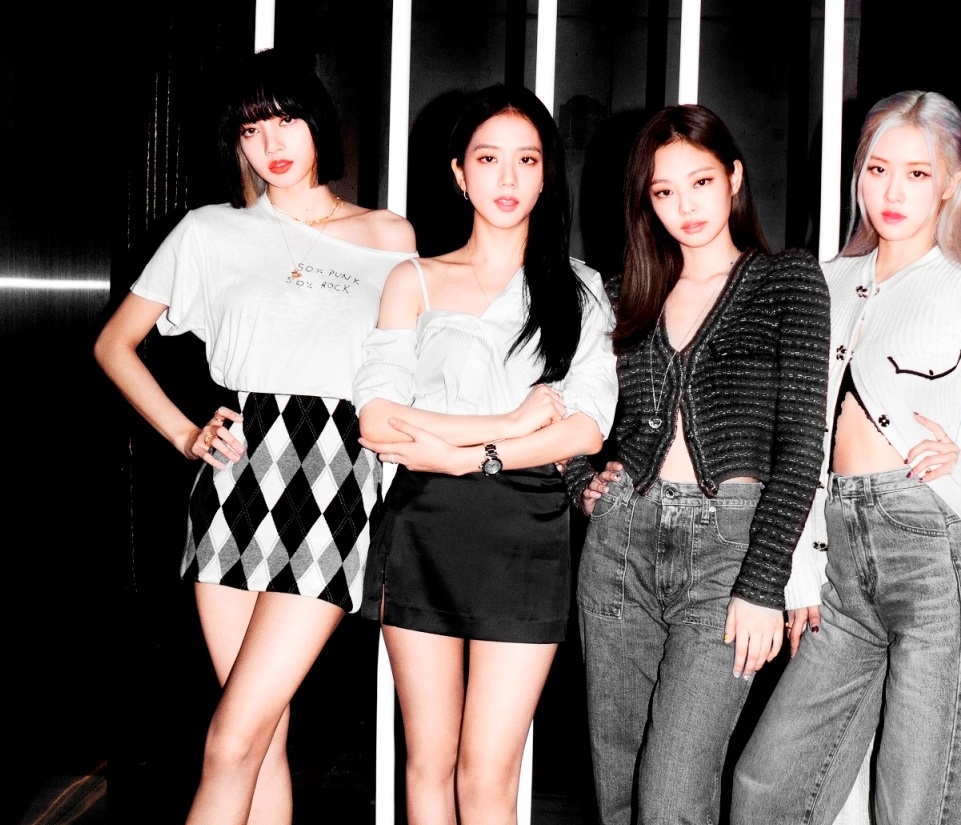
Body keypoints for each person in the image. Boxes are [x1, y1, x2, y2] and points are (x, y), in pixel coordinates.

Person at [730, 91, 961, 825]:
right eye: (877, 170)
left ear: (950, 184)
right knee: (766, 786)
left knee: (914, 806)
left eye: (916, 173)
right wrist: (799, 571)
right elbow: (796, 442)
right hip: (839, 567)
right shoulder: (823, 283)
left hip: (932, 558)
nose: (892, 192)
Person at [93, 49, 416, 825]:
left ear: (319, 126)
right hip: (235, 479)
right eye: (250, 129)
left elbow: (412, 365)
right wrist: (184, 433)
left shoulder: (387, 234)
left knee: (231, 739)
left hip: (336, 474)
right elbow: (114, 344)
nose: (271, 142)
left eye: (286, 120)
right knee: (259, 738)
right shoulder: (210, 231)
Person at [352, 84, 618, 825]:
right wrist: (508, 420)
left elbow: (585, 430)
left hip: (529, 531)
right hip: (422, 529)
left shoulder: (580, 289)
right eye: (488, 159)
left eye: (526, 160)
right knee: (428, 763)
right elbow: (378, 421)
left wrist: (468, 453)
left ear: (547, 173)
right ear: (459, 174)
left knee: (489, 773)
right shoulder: (414, 279)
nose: (507, 177)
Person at [566, 104, 830, 825]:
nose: (685, 205)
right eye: (663, 191)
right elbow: (568, 405)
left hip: (727, 553)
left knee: (670, 798)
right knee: (619, 795)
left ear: (734, 177)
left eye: (701, 181)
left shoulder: (787, 281)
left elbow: (802, 445)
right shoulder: (621, 293)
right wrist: (581, 480)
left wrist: (762, 583)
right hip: (619, 545)